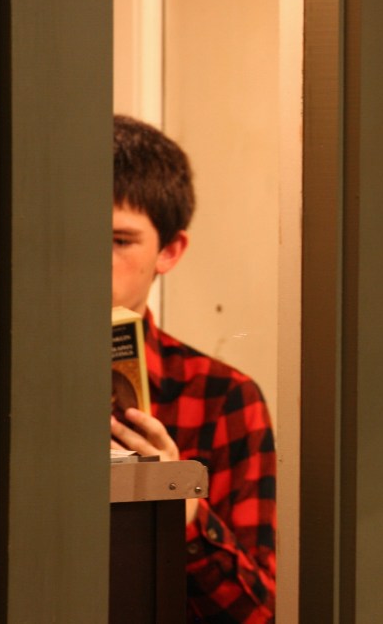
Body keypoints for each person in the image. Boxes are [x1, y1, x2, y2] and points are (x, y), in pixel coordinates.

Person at [109, 114, 276, 622]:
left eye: (119, 240)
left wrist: (183, 512)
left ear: (169, 251)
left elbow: (256, 615)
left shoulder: (222, 398)